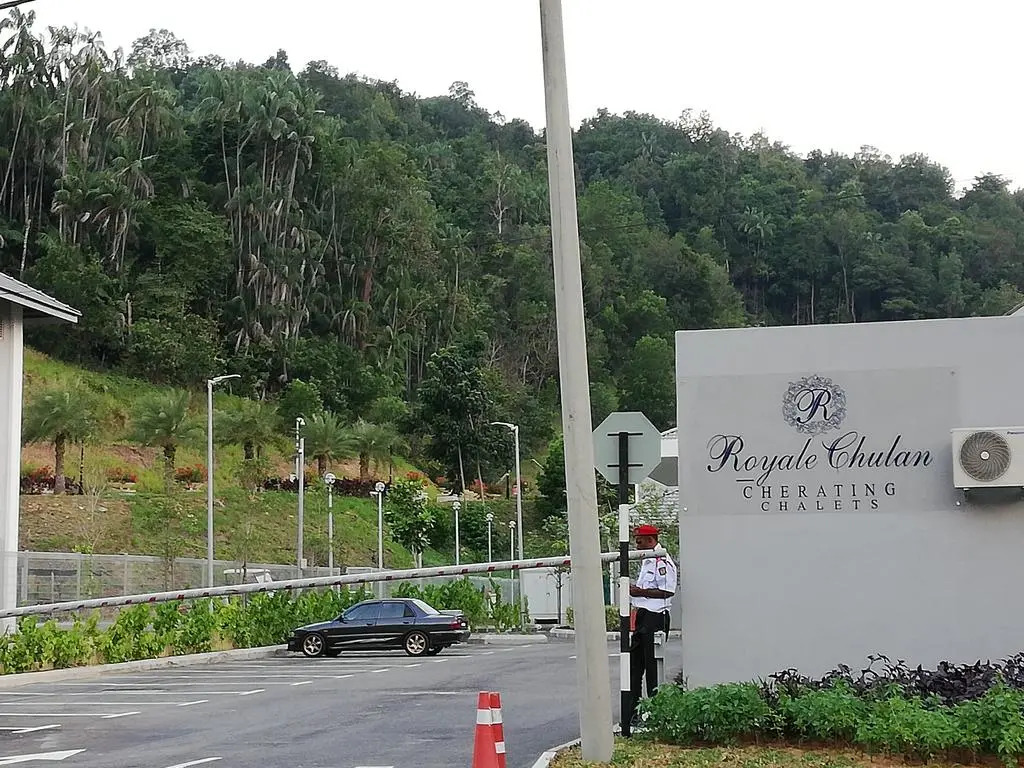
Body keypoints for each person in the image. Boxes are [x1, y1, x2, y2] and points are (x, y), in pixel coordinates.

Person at [627, 523, 677, 726]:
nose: (637, 546)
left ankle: (656, 715)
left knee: (653, 670)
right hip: (642, 615)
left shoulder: (661, 560)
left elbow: (668, 591)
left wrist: (640, 592)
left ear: (650, 540)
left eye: (640, 542)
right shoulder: (647, 560)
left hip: (656, 617)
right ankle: (633, 714)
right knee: (634, 667)